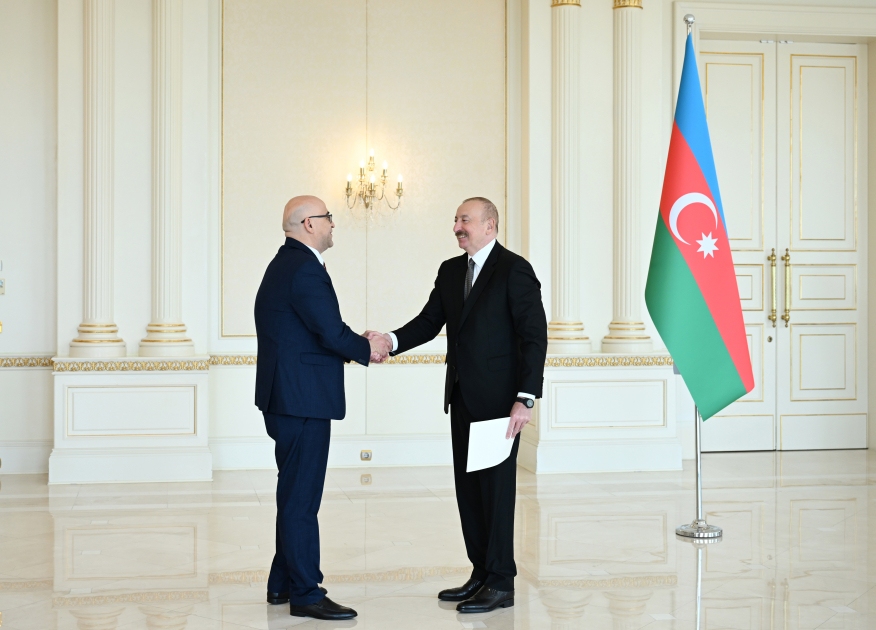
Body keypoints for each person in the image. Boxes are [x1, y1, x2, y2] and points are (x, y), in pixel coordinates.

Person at [366, 197, 548, 613]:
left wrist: (526, 398)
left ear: (490, 225)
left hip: (502, 404)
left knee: (496, 493)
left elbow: (534, 336)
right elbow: (429, 322)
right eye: (455, 220)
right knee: (469, 491)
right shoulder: (451, 271)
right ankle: (480, 573)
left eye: (465, 220)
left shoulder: (515, 269)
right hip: (462, 397)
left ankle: (501, 583)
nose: (457, 227)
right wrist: (389, 341)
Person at [254, 195, 390, 621]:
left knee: (293, 493)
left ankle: (282, 583)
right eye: (328, 217)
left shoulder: (287, 264)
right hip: (301, 400)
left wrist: (358, 344)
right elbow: (329, 332)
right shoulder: (303, 268)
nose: (333, 223)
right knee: (301, 500)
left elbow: (315, 331)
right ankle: (306, 593)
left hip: (290, 397)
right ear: (309, 224)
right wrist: (368, 349)